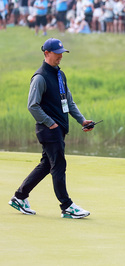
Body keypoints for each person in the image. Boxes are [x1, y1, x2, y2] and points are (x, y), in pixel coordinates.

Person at [8, 38, 94, 219]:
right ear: (46, 54)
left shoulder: (60, 75)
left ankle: (19, 197)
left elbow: (68, 102)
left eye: (62, 52)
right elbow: (32, 105)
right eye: (57, 53)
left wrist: (82, 120)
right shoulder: (40, 77)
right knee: (59, 165)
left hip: (58, 128)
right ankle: (67, 206)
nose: (60, 56)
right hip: (49, 129)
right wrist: (50, 123)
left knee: (47, 164)